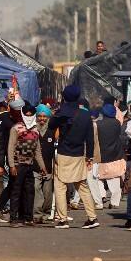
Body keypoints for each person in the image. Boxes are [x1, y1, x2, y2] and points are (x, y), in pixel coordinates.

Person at [48, 85, 98, 229]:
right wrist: (89, 157)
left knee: (60, 186)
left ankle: (63, 219)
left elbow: (51, 125)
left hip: (64, 153)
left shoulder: (62, 112)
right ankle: (92, 218)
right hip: (79, 154)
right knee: (82, 185)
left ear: (64, 96)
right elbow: (90, 138)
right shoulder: (86, 114)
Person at [4, 103, 47, 227]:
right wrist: (12, 165)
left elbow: (37, 150)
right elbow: (10, 147)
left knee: (29, 192)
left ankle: (28, 218)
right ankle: (13, 218)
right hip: (18, 165)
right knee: (16, 192)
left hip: (30, 165)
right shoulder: (16, 128)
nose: (28, 117)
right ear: (22, 115)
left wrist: (42, 166)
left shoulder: (35, 130)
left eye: (31, 115)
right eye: (26, 115)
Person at [91, 102, 126, 211]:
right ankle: (115, 202)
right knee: (114, 178)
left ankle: (101, 196)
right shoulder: (117, 123)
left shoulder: (97, 124)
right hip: (115, 154)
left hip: (101, 155)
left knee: (98, 178)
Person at [33, 104, 57, 223]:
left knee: (48, 193)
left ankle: (46, 213)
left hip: (49, 167)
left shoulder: (53, 131)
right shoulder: (33, 130)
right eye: (40, 116)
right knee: (36, 190)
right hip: (35, 166)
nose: (42, 118)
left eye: (44, 116)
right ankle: (37, 214)